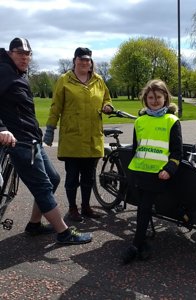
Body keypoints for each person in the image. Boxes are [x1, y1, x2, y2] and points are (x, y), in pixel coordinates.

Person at [0, 37, 92, 244]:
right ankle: (64, 232)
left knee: (53, 179)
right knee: (42, 186)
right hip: (20, 142)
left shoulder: (17, 74)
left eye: (27, 54)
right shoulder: (4, 71)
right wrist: (2, 129)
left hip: (32, 140)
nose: (24, 58)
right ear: (10, 53)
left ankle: (34, 225)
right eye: (19, 53)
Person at [43, 47, 113, 222]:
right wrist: (50, 129)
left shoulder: (98, 80)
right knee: (73, 177)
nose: (84, 62)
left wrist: (108, 106)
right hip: (72, 138)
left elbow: (107, 98)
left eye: (87, 60)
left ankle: (86, 206)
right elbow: (56, 106)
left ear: (91, 62)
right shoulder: (64, 80)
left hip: (92, 137)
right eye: (81, 59)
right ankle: (73, 208)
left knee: (89, 177)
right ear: (74, 60)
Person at [121, 79, 183, 264]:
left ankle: (135, 245)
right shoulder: (140, 121)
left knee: (144, 208)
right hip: (138, 172)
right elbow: (135, 148)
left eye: (158, 97)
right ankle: (144, 240)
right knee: (143, 208)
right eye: (150, 97)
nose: (154, 100)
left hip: (159, 173)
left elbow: (177, 151)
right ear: (145, 100)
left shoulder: (172, 120)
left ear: (165, 98)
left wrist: (169, 169)